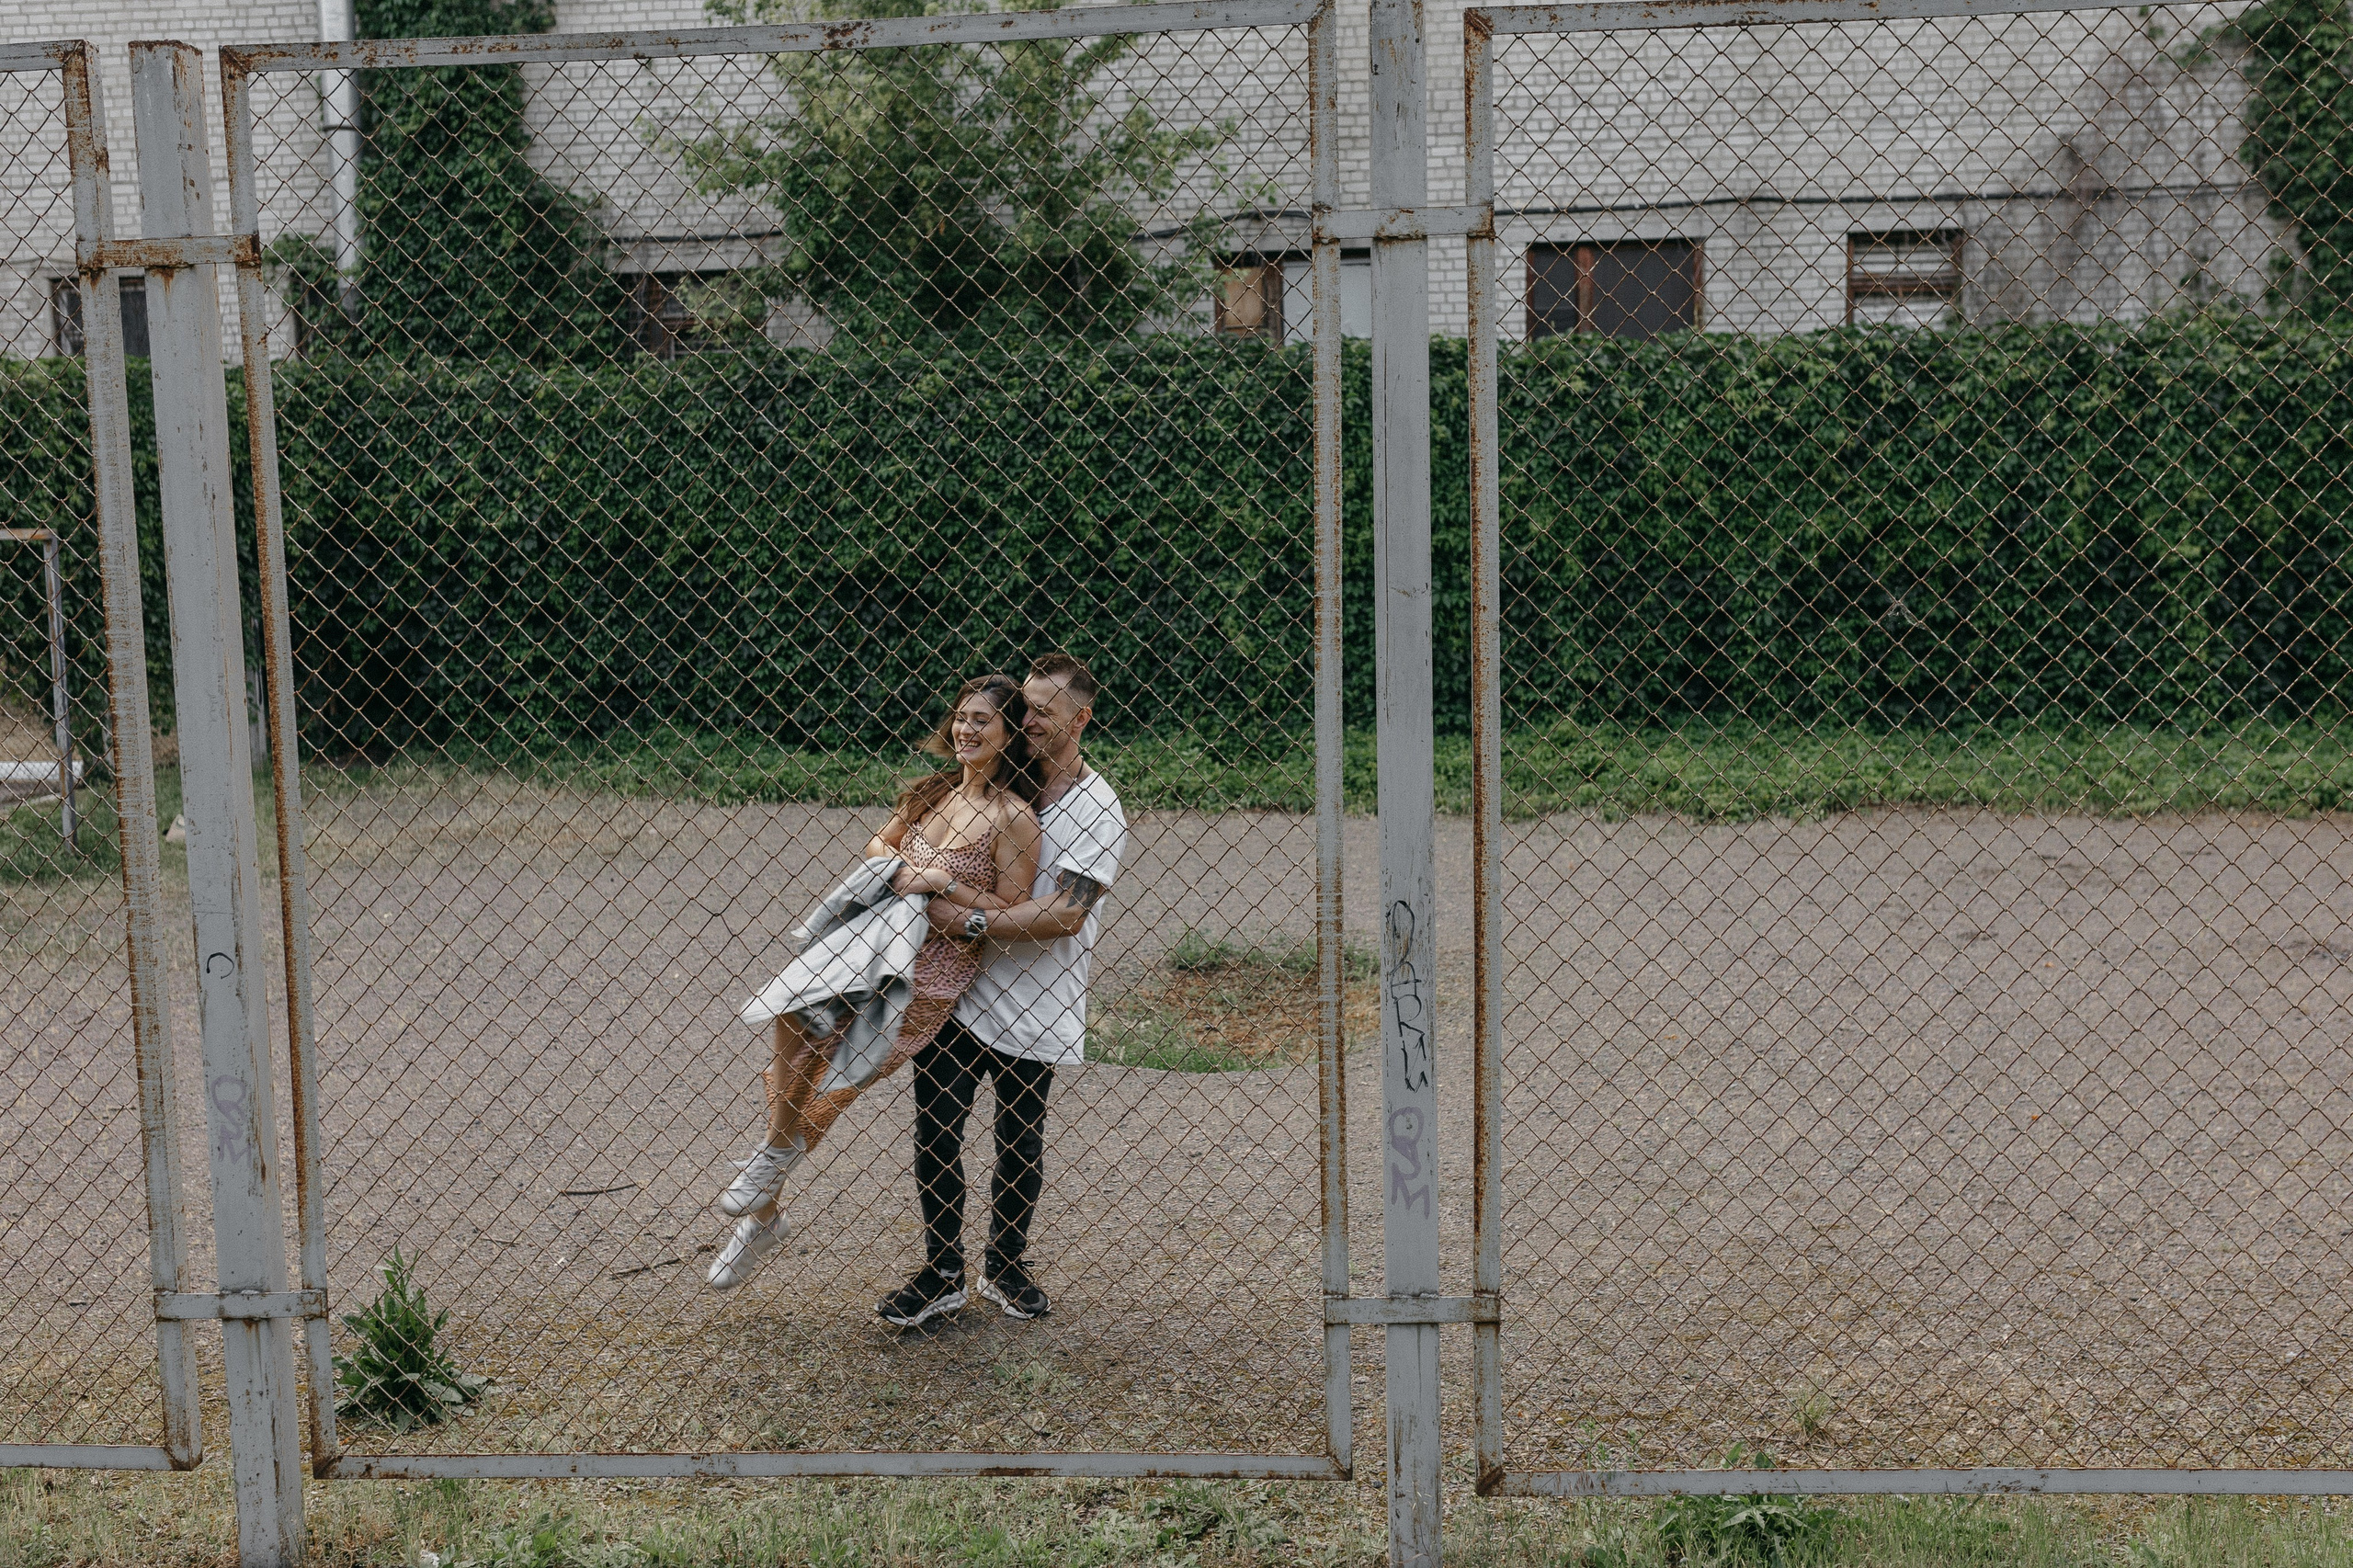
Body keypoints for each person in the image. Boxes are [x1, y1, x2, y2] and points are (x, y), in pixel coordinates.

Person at [708, 674, 1042, 1290]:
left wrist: (941, 883)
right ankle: (767, 1201)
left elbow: (1010, 910)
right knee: (789, 1026)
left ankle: (760, 1212)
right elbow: (875, 849)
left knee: (825, 1093)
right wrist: (905, 867)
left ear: (1010, 734)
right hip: (866, 953)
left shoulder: (1012, 816)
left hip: (926, 981)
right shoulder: (935, 791)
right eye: (962, 716)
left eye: (982, 721)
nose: (966, 728)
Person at [877, 653, 1127, 1327]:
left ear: (1082, 718)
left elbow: (1067, 915)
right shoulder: (1007, 776)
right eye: (1027, 707)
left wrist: (969, 917)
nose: (1030, 719)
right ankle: (942, 1270)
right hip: (961, 991)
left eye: (1044, 710)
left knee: (1020, 1138)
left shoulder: (1097, 806)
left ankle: (1007, 1265)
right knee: (937, 1132)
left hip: (1038, 998)